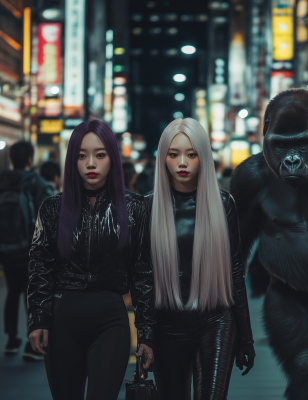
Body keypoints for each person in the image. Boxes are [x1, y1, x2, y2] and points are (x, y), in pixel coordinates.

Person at [27, 120, 155, 400]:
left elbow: (143, 272)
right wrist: (38, 320)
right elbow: (40, 266)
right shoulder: (52, 208)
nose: (90, 163)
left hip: (111, 321)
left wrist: (146, 335)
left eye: (100, 154)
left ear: (113, 157)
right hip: (62, 322)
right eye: (81, 155)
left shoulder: (134, 208)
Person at [146, 118, 255, 400]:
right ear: (163, 159)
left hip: (215, 321)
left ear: (203, 157)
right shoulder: (147, 207)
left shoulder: (222, 204)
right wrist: (144, 337)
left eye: (191, 154)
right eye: (174, 154)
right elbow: (141, 277)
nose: (182, 162)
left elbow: (234, 273)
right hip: (166, 326)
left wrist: (246, 336)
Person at [0, 140, 54, 361]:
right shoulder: (38, 183)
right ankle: (33, 345)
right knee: (31, 294)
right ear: (30, 158)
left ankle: (11, 340)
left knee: (13, 291)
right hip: (32, 250)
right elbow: (50, 221)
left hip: (5, 249)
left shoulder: (2, 181)